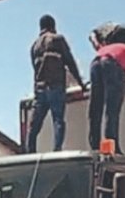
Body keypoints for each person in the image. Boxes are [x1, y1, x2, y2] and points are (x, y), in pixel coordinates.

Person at [28, 15, 84, 153]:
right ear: (53, 26)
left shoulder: (34, 46)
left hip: (40, 88)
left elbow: (35, 70)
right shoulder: (58, 39)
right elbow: (70, 62)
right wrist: (81, 83)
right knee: (58, 119)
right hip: (56, 86)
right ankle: (57, 148)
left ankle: (30, 152)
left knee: (34, 125)